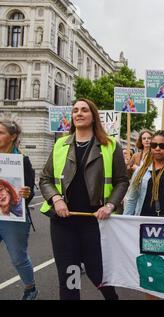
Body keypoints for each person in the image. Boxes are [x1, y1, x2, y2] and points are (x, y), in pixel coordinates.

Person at [39, 98, 129, 300]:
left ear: (93, 115)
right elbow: (45, 179)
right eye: (75, 110)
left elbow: (122, 181)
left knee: (98, 275)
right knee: (69, 278)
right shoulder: (61, 144)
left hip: (96, 223)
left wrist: (110, 205)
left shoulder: (110, 145)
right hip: (64, 223)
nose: (78, 113)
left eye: (84, 110)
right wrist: (56, 199)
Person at [0, 120, 38, 300]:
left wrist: (26, 193)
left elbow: (30, 191)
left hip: (13, 218)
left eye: (1, 132)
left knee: (18, 257)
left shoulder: (23, 161)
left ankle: (30, 289)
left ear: (12, 136)